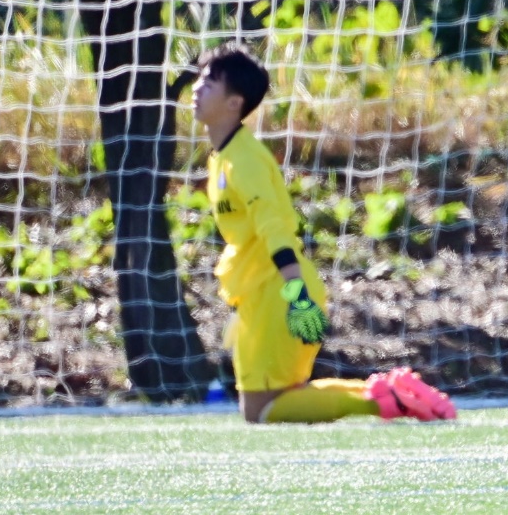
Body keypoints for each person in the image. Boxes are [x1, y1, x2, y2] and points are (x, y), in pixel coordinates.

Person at [191, 44, 456, 424]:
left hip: (280, 291)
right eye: (200, 80)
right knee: (270, 404)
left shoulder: (243, 160)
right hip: (261, 294)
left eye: (209, 83)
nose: (198, 89)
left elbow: (274, 228)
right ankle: (387, 392)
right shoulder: (224, 156)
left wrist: (296, 297)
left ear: (234, 103)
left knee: (262, 410)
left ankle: (385, 400)